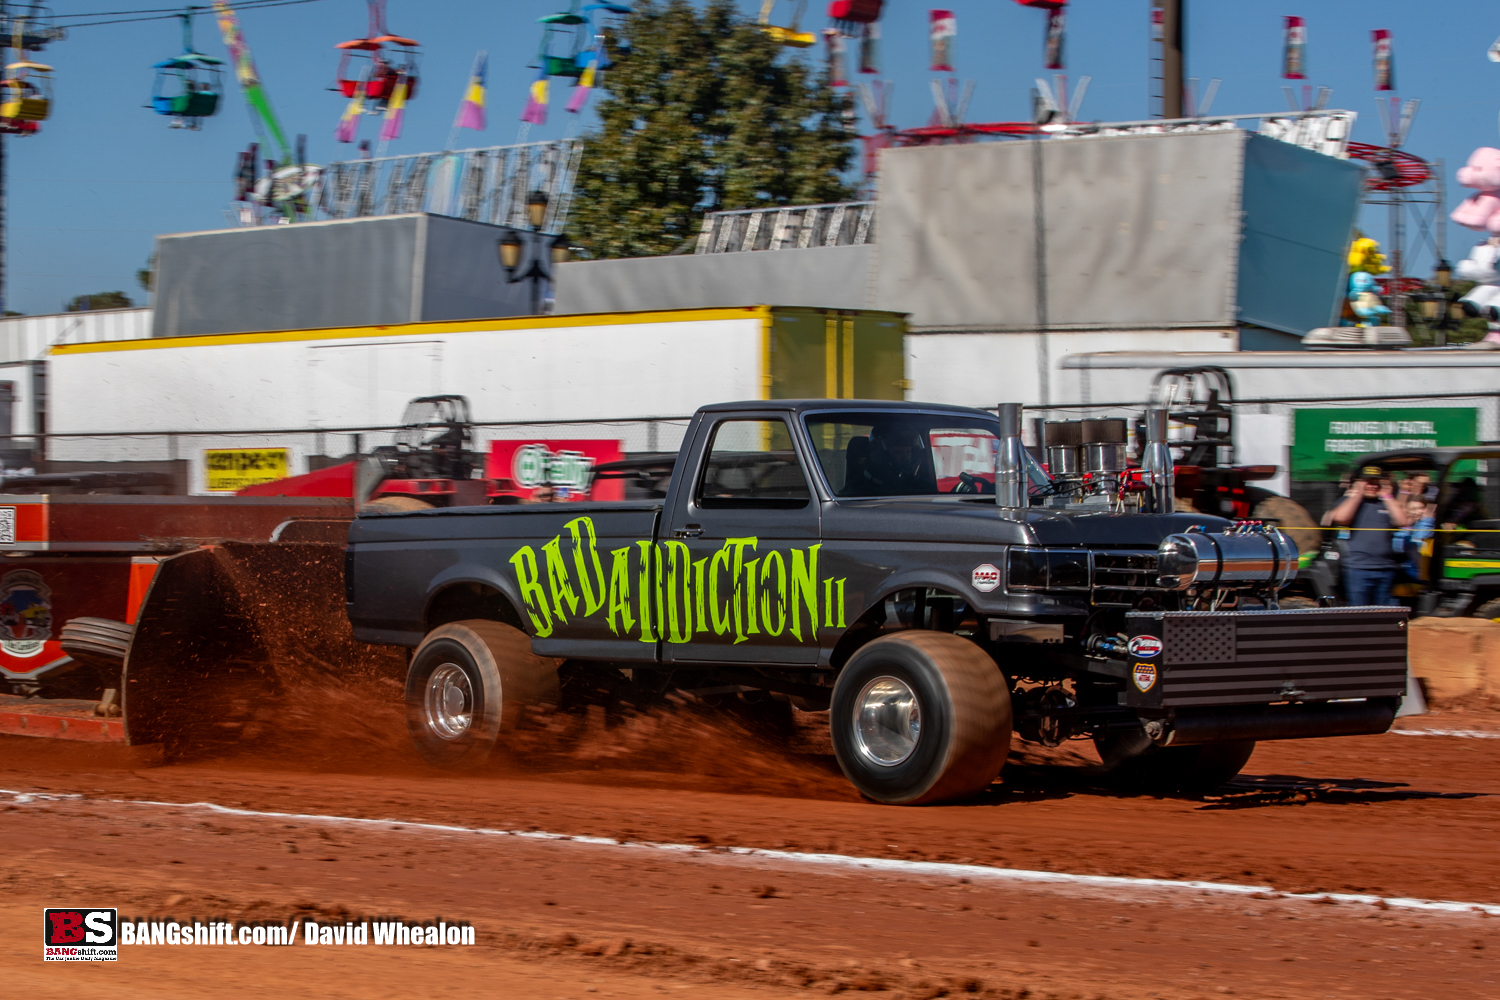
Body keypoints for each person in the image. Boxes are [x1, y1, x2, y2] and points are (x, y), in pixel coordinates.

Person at [1328, 465, 1410, 606]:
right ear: (1359, 482)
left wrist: (1387, 496)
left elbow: (1402, 521)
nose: (1372, 486)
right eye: (1368, 482)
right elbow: (1341, 518)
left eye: (1376, 482)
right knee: (1359, 612)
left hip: (1386, 568)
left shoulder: (1386, 502)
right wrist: (1359, 493)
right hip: (1358, 568)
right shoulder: (1350, 501)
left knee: (1383, 614)